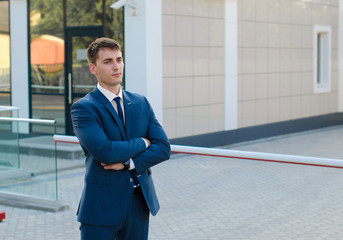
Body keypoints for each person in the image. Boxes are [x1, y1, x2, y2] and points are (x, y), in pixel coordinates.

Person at [71, 37, 170, 240]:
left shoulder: (141, 102)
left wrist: (129, 163)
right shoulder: (84, 108)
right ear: (93, 68)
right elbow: (106, 152)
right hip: (101, 207)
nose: (116, 66)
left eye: (119, 59)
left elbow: (163, 147)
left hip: (138, 205)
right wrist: (143, 142)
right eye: (107, 61)